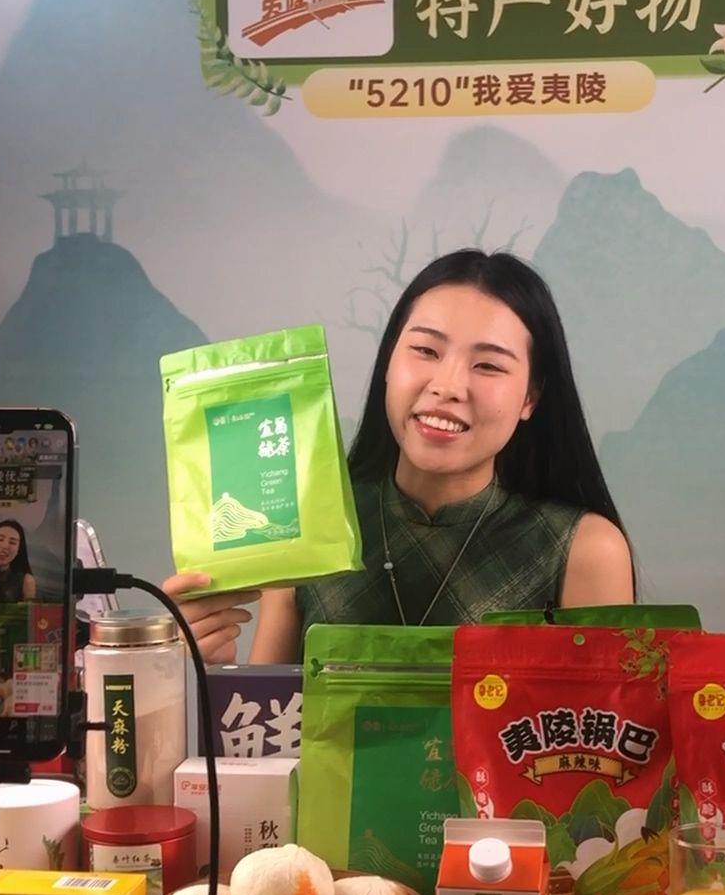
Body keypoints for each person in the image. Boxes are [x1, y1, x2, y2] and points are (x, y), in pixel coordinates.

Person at [166, 249, 636, 663]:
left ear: (530, 397)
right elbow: (268, 724)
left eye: (488, 365)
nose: (447, 387)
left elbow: (605, 729)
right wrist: (214, 665)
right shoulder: (306, 524)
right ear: (389, 362)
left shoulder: (584, 550)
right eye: (426, 350)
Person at [0, 519, 38, 601]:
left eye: (12, 542)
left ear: (19, 550)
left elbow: (29, 608)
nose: (5, 546)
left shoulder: (26, 581)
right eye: (0, 539)